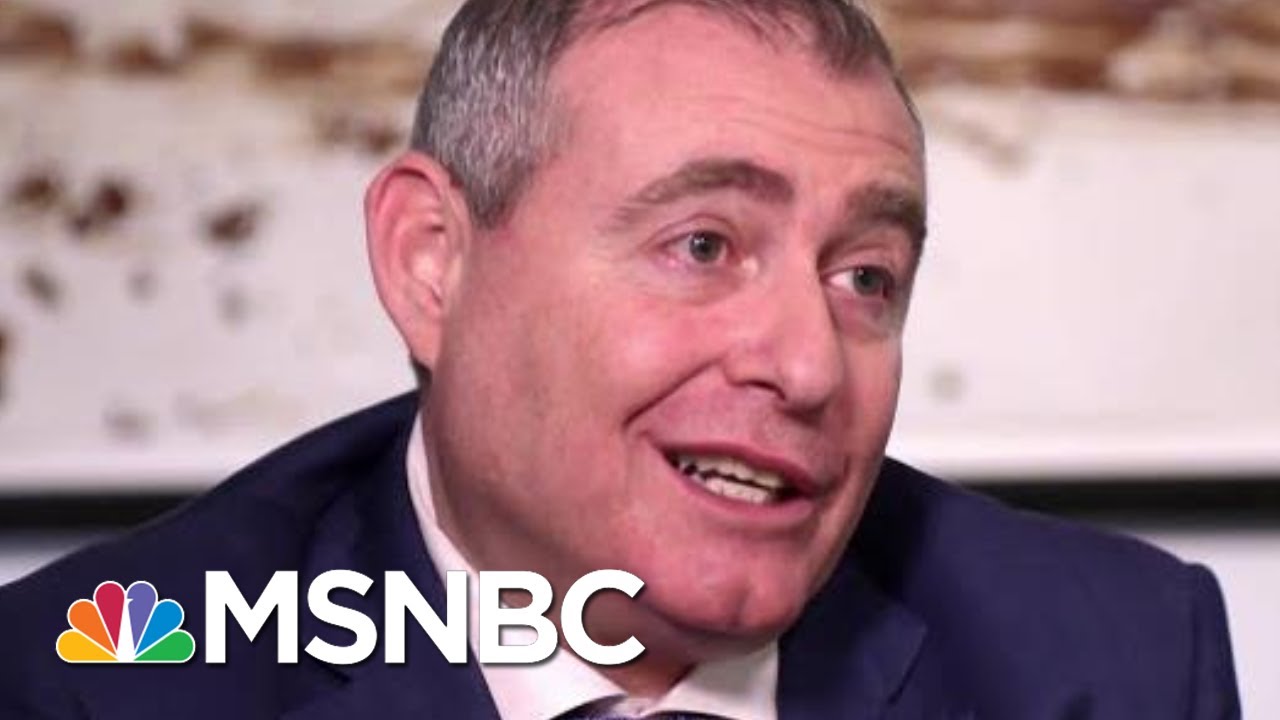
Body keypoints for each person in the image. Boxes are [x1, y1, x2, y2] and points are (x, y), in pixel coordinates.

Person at [0, 1, 1240, 718]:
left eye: (863, 277)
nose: (806, 366)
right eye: (702, 245)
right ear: (432, 263)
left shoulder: (1114, 667)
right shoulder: (99, 681)